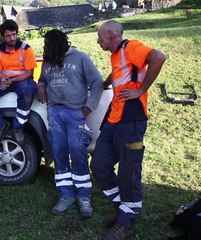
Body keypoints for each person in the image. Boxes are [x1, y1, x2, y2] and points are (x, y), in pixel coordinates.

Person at [91, 20, 166, 239]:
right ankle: (124, 207)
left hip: (131, 120)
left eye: (100, 37)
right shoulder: (116, 55)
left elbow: (158, 57)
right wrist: (105, 83)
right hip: (114, 120)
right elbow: (119, 74)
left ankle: (127, 223)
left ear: (111, 34)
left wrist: (141, 90)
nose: (98, 41)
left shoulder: (130, 47)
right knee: (99, 164)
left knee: (128, 171)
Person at [37, 30, 103, 218]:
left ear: (58, 43)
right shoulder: (47, 62)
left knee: (78, 151)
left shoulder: (79, 57)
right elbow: (42, 79)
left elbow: (97, 82)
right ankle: (66, 195)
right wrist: (41, 86)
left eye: (47, 44)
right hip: (54, 112)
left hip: (75, 112)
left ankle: (83, 196)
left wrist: (89, 107)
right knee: (59, 152)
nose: (45, 47)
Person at [0, 20, 37, 145]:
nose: (12, 38)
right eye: (8, 36)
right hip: (5, 81)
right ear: (3, 37)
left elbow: (29, 73)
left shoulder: (26, 49)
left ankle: (18, 127)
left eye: (14, 34)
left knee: (28, 90)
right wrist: (2, 80)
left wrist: (11, 80)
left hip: (22, 81)